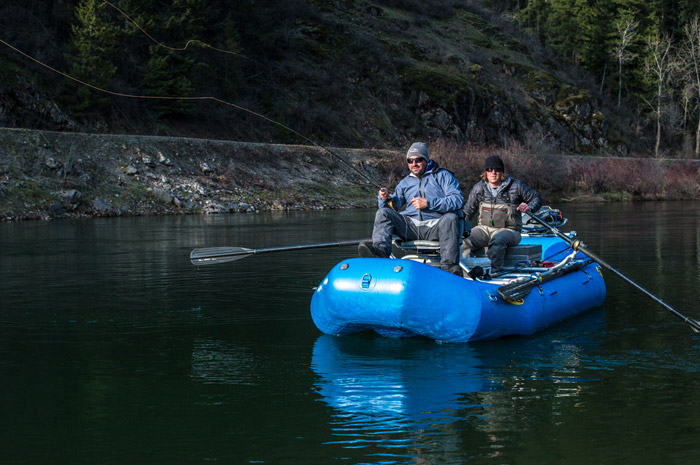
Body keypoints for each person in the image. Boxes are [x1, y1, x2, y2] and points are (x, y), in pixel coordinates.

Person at [358, 142, 465, 276]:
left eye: (418, 160)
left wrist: (429, 203)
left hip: (437, 227)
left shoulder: (443, 176)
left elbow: (458, 200)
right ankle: (380, 255)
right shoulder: (404, 183)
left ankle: (449, 267)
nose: (414, 164)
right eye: (410, 160)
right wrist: (385, 199)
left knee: (451, 218)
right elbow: (393, 207)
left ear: (426, 160)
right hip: (411, 227)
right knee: (383, 213)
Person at [462, 155, 541, 275]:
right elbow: (467, 212)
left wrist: (529, 207)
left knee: (497, 239)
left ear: (502, 172)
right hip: (483, 229)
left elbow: (536, 198)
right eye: (489, 169)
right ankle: (465, 272)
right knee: (465, 240)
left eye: (497, 169)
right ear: (485, 172)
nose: (493, 172)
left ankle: (493, 272)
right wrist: (460, 230)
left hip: (511, 230)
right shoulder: (479, 188)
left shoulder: (516, 186)